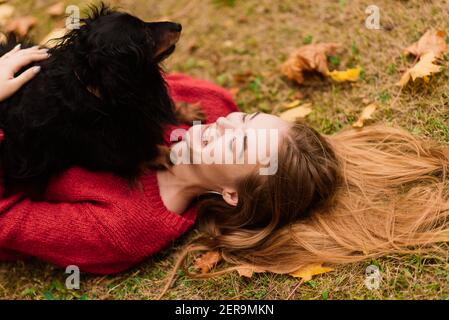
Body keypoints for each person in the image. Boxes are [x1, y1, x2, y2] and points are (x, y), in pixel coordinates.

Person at [1, 46, 449, 296]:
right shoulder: (212, 104)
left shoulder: (123, 229)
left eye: (236, 142)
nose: (221, 124)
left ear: (232, 194)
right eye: (246, 119)